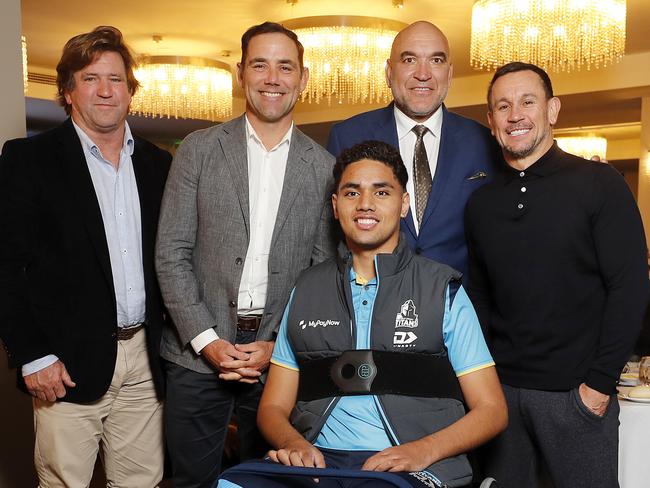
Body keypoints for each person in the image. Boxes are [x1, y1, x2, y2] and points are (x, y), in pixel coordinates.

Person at [219, 140, 507, 488]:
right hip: (319, 462)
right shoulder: (307, 289)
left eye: (382, 192)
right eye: (352, 193)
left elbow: (492, 410)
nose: (366, 204)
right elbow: (272, 408)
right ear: (336, 206)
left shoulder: (441, 290)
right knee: (232, 483)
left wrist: (422, 451)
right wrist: (293, 443)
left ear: (403, 204)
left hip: (412, 462)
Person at [155, 21, 336, 488]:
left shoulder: (325, 168)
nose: (272, 78)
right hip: (196, 358)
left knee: (273, 481)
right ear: (241, 73)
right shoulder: (197, 150)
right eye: (260, 65)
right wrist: (208, 342)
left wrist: (280, 346)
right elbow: (170, 254)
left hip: (279, 360)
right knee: (192, 481)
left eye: (285, 67)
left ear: (303, 78)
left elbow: (321, 275)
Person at [464, 61, 650, 488]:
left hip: (577, 397)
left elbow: (629, 287)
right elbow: (479, 298)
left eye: (528, 101)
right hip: (501, 397)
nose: (516, 115)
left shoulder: (599, 184)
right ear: (491, 121)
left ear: (552, 110)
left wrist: (598, 387)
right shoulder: (481, 204)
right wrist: (483, 381)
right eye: (503, 106)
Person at [0, 26, 171, 487]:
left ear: (131, 92)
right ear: (68, 91)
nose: (105, 90)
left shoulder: (158, 165)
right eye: (90, 78)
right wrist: (33, 356)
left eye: (116, 79)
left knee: (142, 482)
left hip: (144, 359)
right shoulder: (27, 160)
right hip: (65, 363)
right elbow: (6, 267)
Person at [327, 21, 500, 277]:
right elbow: (332, 239)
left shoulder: (484, 142)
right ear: (389, 72)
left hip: (457, 306)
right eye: (409, 60)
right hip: (373, 305)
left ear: (449, 74)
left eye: (436, 61)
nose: (423, 73)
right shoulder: (348, 136)